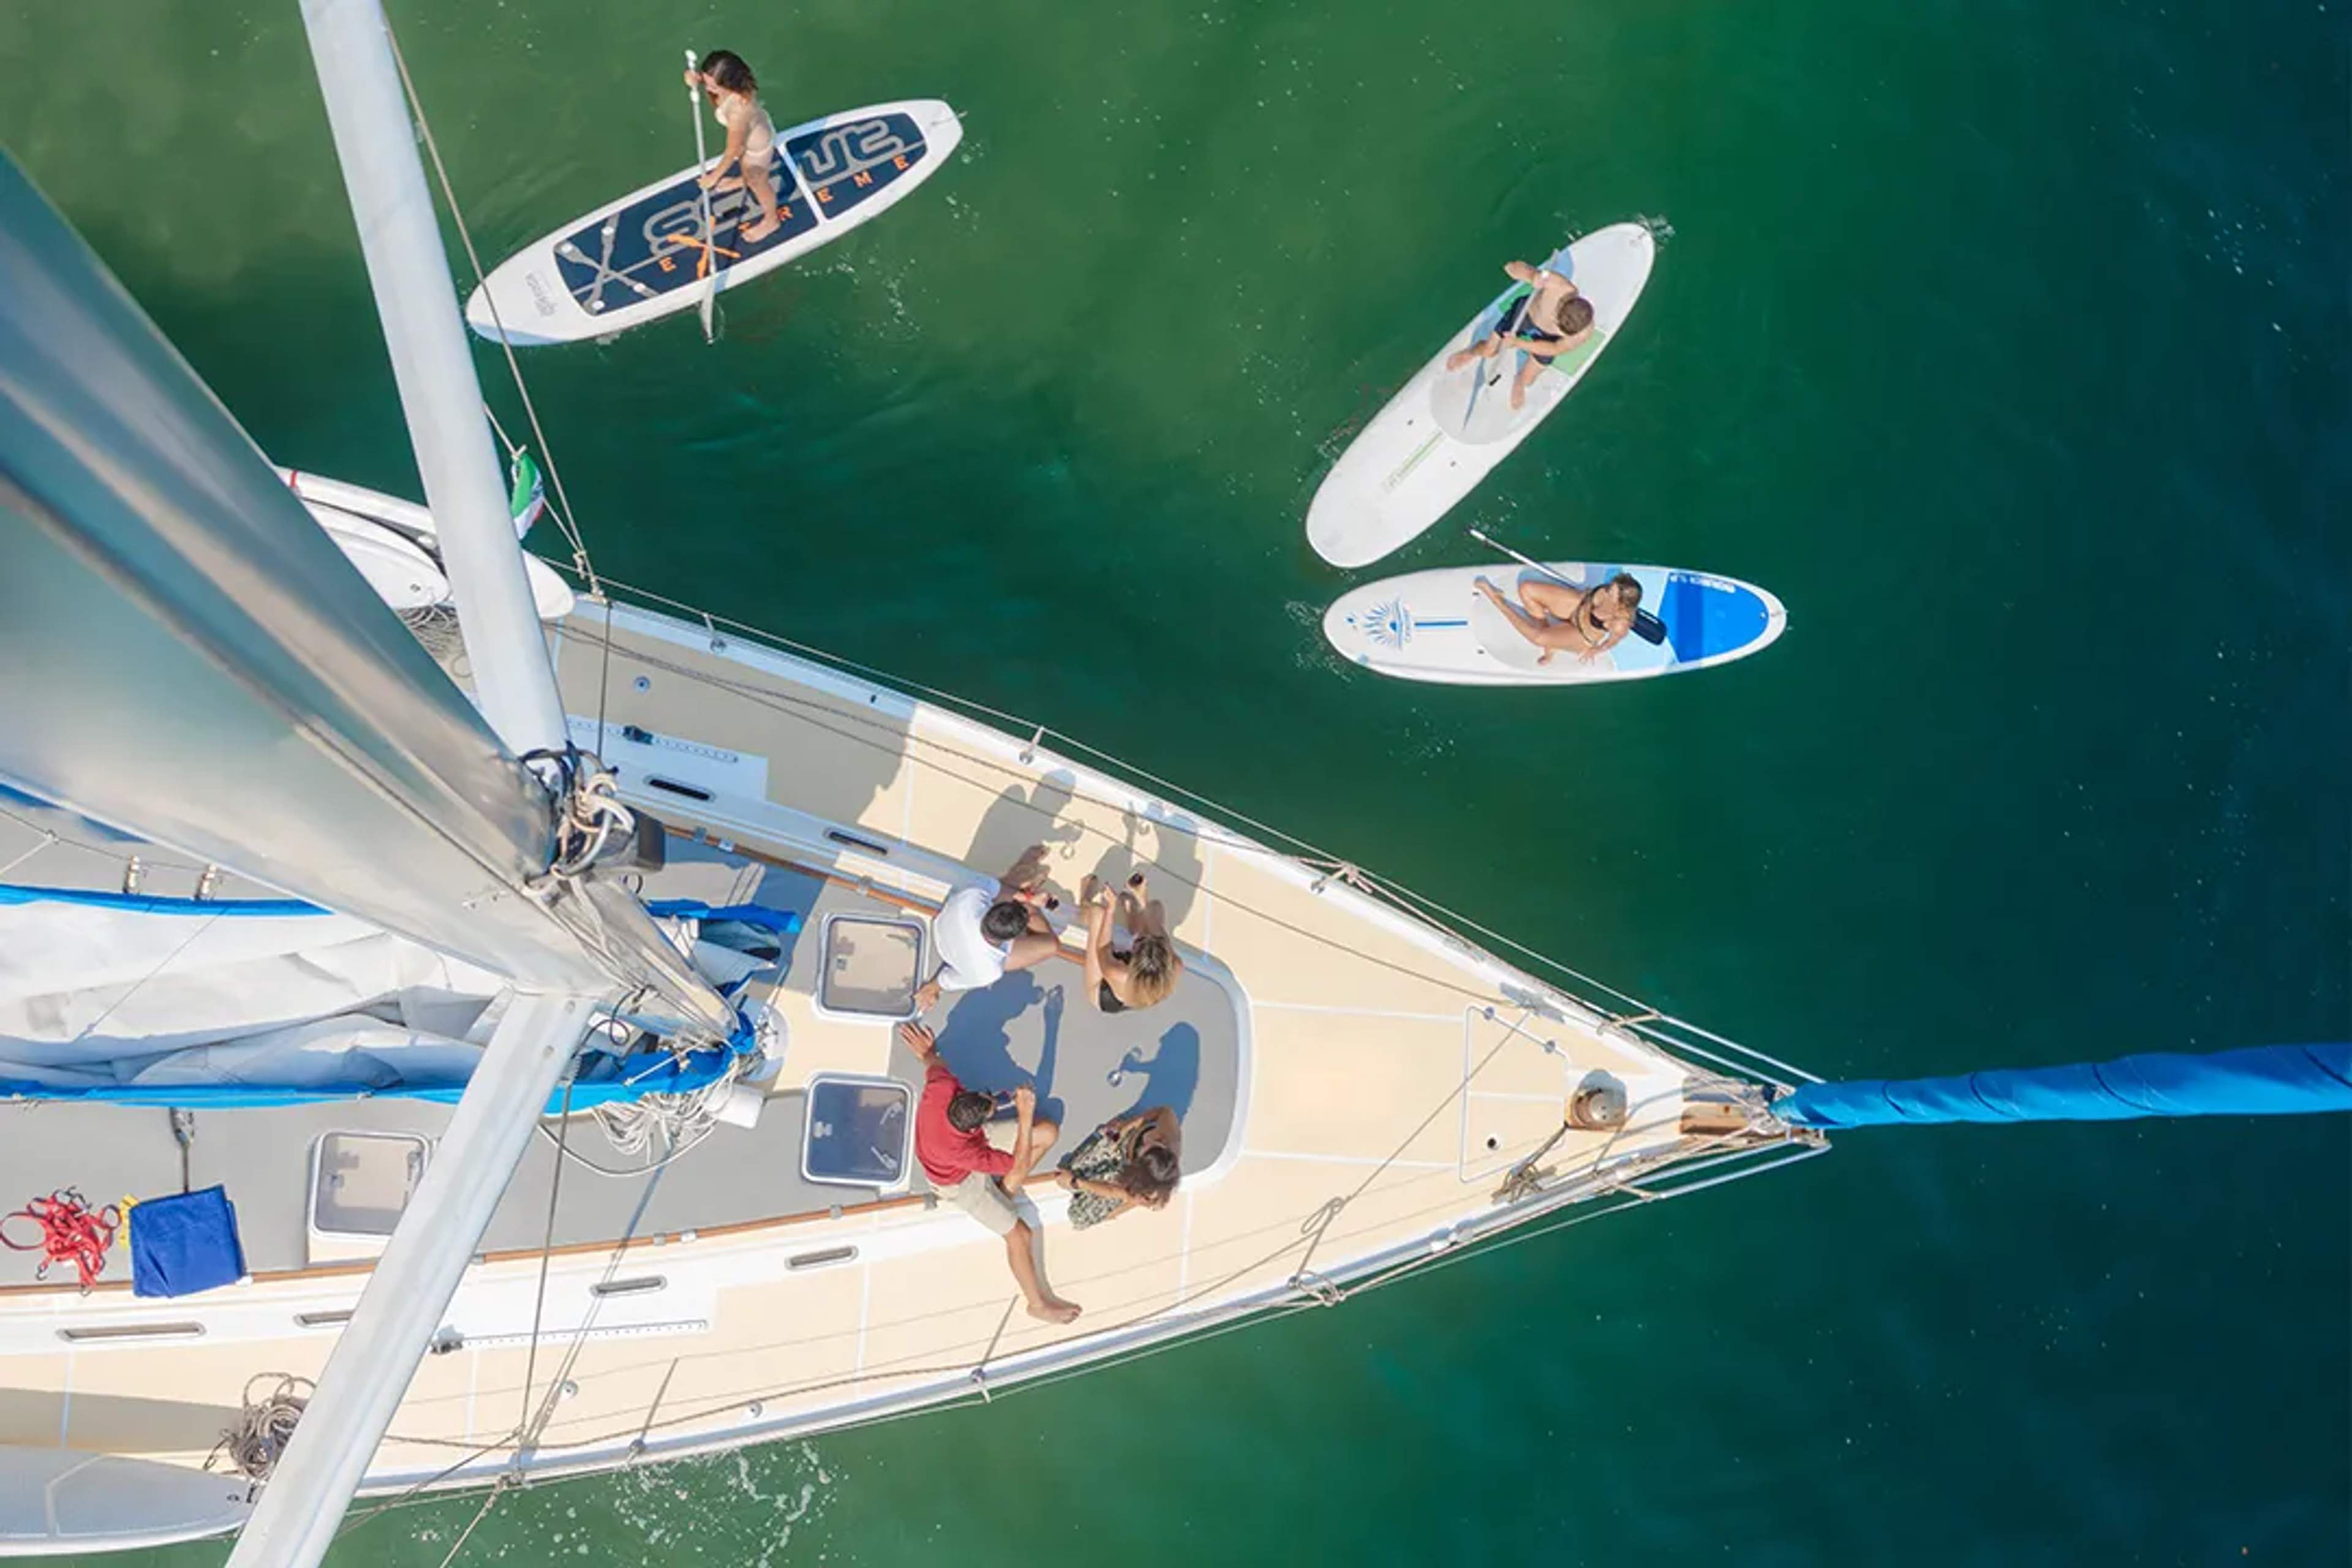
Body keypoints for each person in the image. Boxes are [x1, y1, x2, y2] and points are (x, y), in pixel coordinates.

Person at [901, 1020, 1080, 1324]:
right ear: (973, 1129)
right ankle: (1037, 1304)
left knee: (1047, 1132)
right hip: (957, 1183)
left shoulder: (941, 1087)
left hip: (967, 1149)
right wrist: (1024, 1116)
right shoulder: (965, 1152)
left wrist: (928, 1051)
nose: (995, 1102)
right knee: (1020, 1233)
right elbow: (1020, 1165)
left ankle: (1003, 1193)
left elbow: (933, 1062)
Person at [916, 845, 1062, 1012]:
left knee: (1000, 886)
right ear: (1014, 938)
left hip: (942, 934)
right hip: (953, 943)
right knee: (1052, 946)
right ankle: (1026, 878)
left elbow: (945, 982)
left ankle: (1027, 884)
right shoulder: (990, 971)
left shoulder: (971, 900)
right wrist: (1029, 900)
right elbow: (944, 981)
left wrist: (1029, 898)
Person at [1443, 259, 1596, 410]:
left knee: (1529, 379)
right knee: (1490, 351)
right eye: (1557, 322)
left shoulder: (1583, 333)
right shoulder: (1557, 285)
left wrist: (1518, 343)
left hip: (1549, 339)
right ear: (1563, 303)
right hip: (1525, 315)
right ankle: (1472, 351)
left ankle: (1520, 381)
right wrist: (1530, 275)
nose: (1556, 325)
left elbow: (1556, 348)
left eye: (1563, 331)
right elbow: (1518, 269)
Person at [684, 50, 786, 244]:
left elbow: (734, 151)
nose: (709, 88)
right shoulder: (736, 87)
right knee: (745, 170)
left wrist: (714, 177)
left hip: (756, 151)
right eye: (706, 81)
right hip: (752, 136)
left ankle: (772, 221)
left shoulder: (739, 112)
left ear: (728, 84)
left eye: (713, 86)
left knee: (760, 185)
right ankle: (741, 180)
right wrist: (696, 81)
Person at [1053, 1106, 1182, 1229]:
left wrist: (1076, 1183)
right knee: (1073, 1167)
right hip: (1126, 1148)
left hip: (1127, 1181)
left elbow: (1112, 1190)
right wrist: (1125, 1128)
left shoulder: (1145, 1191)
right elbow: (1162, 1111)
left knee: (1079, 1216)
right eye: (1154, 1145)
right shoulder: (1168, 1135)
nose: (1145, 1145)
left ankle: (1112, 1210)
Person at [1473, 572, 1643, 665]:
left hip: (1582, 633)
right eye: (1610, 586)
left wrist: (1596, 650)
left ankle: (1497, 600)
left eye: (1612, 592)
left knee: (1538, 638)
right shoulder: (1610, 589)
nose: (1608, 590)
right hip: (1578, 608)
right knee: (1527, 589)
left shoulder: (1621, 622)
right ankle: (1552, 644)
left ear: (1621, 602)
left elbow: (1613, 641)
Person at [1079, 871, 1184, 1014]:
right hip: (1141, 988)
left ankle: (1084, 902)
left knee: (1098, 914)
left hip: (1105, 994)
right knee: (1155, 908)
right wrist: (1142, 898)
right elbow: (1157, 932)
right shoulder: (1176, 966)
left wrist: (1111, 909)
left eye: (1139, 941)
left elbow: (1103, 949)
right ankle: (1134, 916)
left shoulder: (1119, 973)